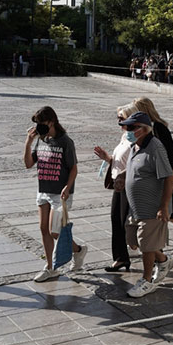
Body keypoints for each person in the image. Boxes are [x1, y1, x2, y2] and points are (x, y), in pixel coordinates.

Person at [24, 106, 87, 281]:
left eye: (41, 123)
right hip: (43, 189)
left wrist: (68, 187)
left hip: (60, 193)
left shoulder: (65, 141)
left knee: (55, 231)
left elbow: (74, 168)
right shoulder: (41, 139)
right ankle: (50, 267)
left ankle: (78, 250)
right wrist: (28, 143)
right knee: (43, 228)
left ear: (51, 121)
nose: (38, 127)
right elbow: (29, 164)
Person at [120, 112, 173, 298]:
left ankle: (147, 280)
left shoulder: (155, 147)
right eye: (125, 127)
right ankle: (164, 260)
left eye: (130, 127)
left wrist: (163, 206)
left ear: (143, 129)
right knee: (134, 241)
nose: (126, 130)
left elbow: (169, 177)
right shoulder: (135, 146)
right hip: (135, 207)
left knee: (145, 244)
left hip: (152, 207)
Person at [131, 97, 173, 248]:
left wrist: (171, 173)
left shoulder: (158, 127)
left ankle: (155, 246)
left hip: (161, 173)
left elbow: (170, 150)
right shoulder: (141, 127)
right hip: (151, 172)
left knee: (162, 206)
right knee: (158, 207)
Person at [94, 103, 138, 272]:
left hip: (131, 185)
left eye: (122, 118)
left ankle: (157, 255)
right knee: (116, 220)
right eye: (118, 118)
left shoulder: (135, 137)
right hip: (119, 185)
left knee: (135, 223)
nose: (119, 122)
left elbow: (139, 160)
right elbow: (120, 159)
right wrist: (107, 158)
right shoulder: (125, 136)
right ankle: (120, 258)